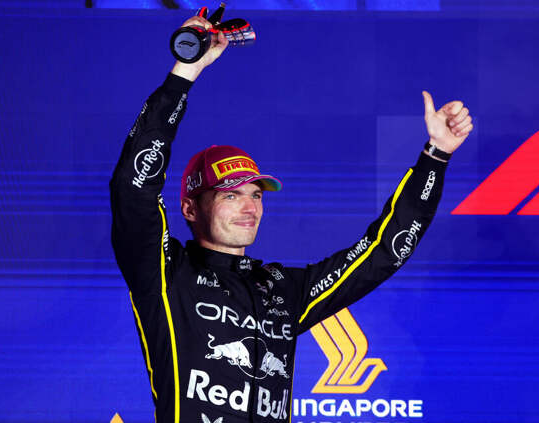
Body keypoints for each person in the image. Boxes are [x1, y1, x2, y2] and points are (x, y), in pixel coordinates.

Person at [109, 14, 473, 423]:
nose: (250, 207)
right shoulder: (163, 273)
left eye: (256, 194)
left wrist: (436, 156)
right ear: (191, 208)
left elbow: (383, 252)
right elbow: (133, 190)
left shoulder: (282, 290)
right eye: (231, 195)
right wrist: (185, 72)